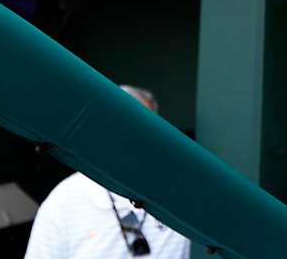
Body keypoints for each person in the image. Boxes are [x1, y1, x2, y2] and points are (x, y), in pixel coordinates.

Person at [24, 86, 189, 258]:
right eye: (119, 126)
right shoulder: (63, 201)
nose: (131, 139)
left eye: (143, 128)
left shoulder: (179, 196)